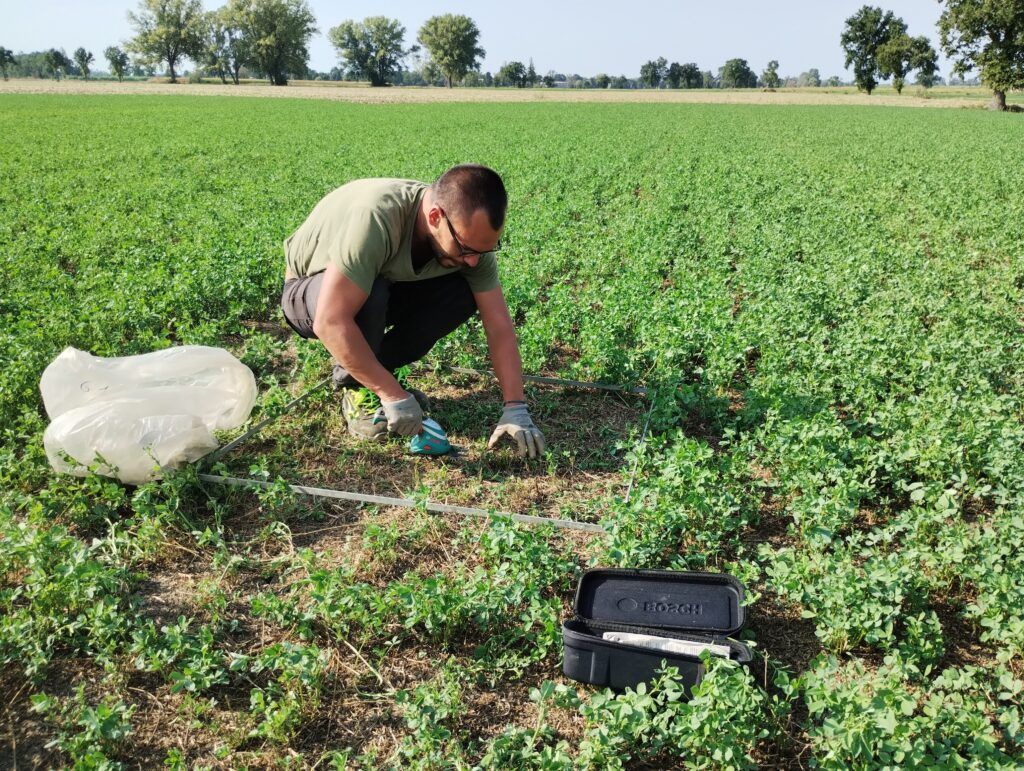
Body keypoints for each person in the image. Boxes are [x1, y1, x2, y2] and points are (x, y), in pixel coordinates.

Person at [280, 164, 546, 458]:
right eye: (466, 249)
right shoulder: (377, 218)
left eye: (483, 252)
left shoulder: (470, 241)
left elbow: (498, 325)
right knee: (370, 292)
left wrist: (515, 407)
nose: (473, 261)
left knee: (462, 291)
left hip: (379, 285)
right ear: (435, 217)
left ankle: (378, 372)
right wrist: (391, 395)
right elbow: (330, 321)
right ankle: (358, 387)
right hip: (309, 290)